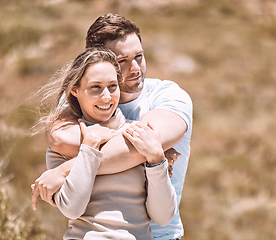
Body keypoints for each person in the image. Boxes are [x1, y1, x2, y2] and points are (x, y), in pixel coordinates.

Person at [32, 13, 193, 240]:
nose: (135, 68)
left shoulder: (168, 96)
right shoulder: (75, 101)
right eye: (123, 61)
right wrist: (144, 151)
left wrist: (65, 170)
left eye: (139, 56)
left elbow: (143, 146)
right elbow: (59, 140)